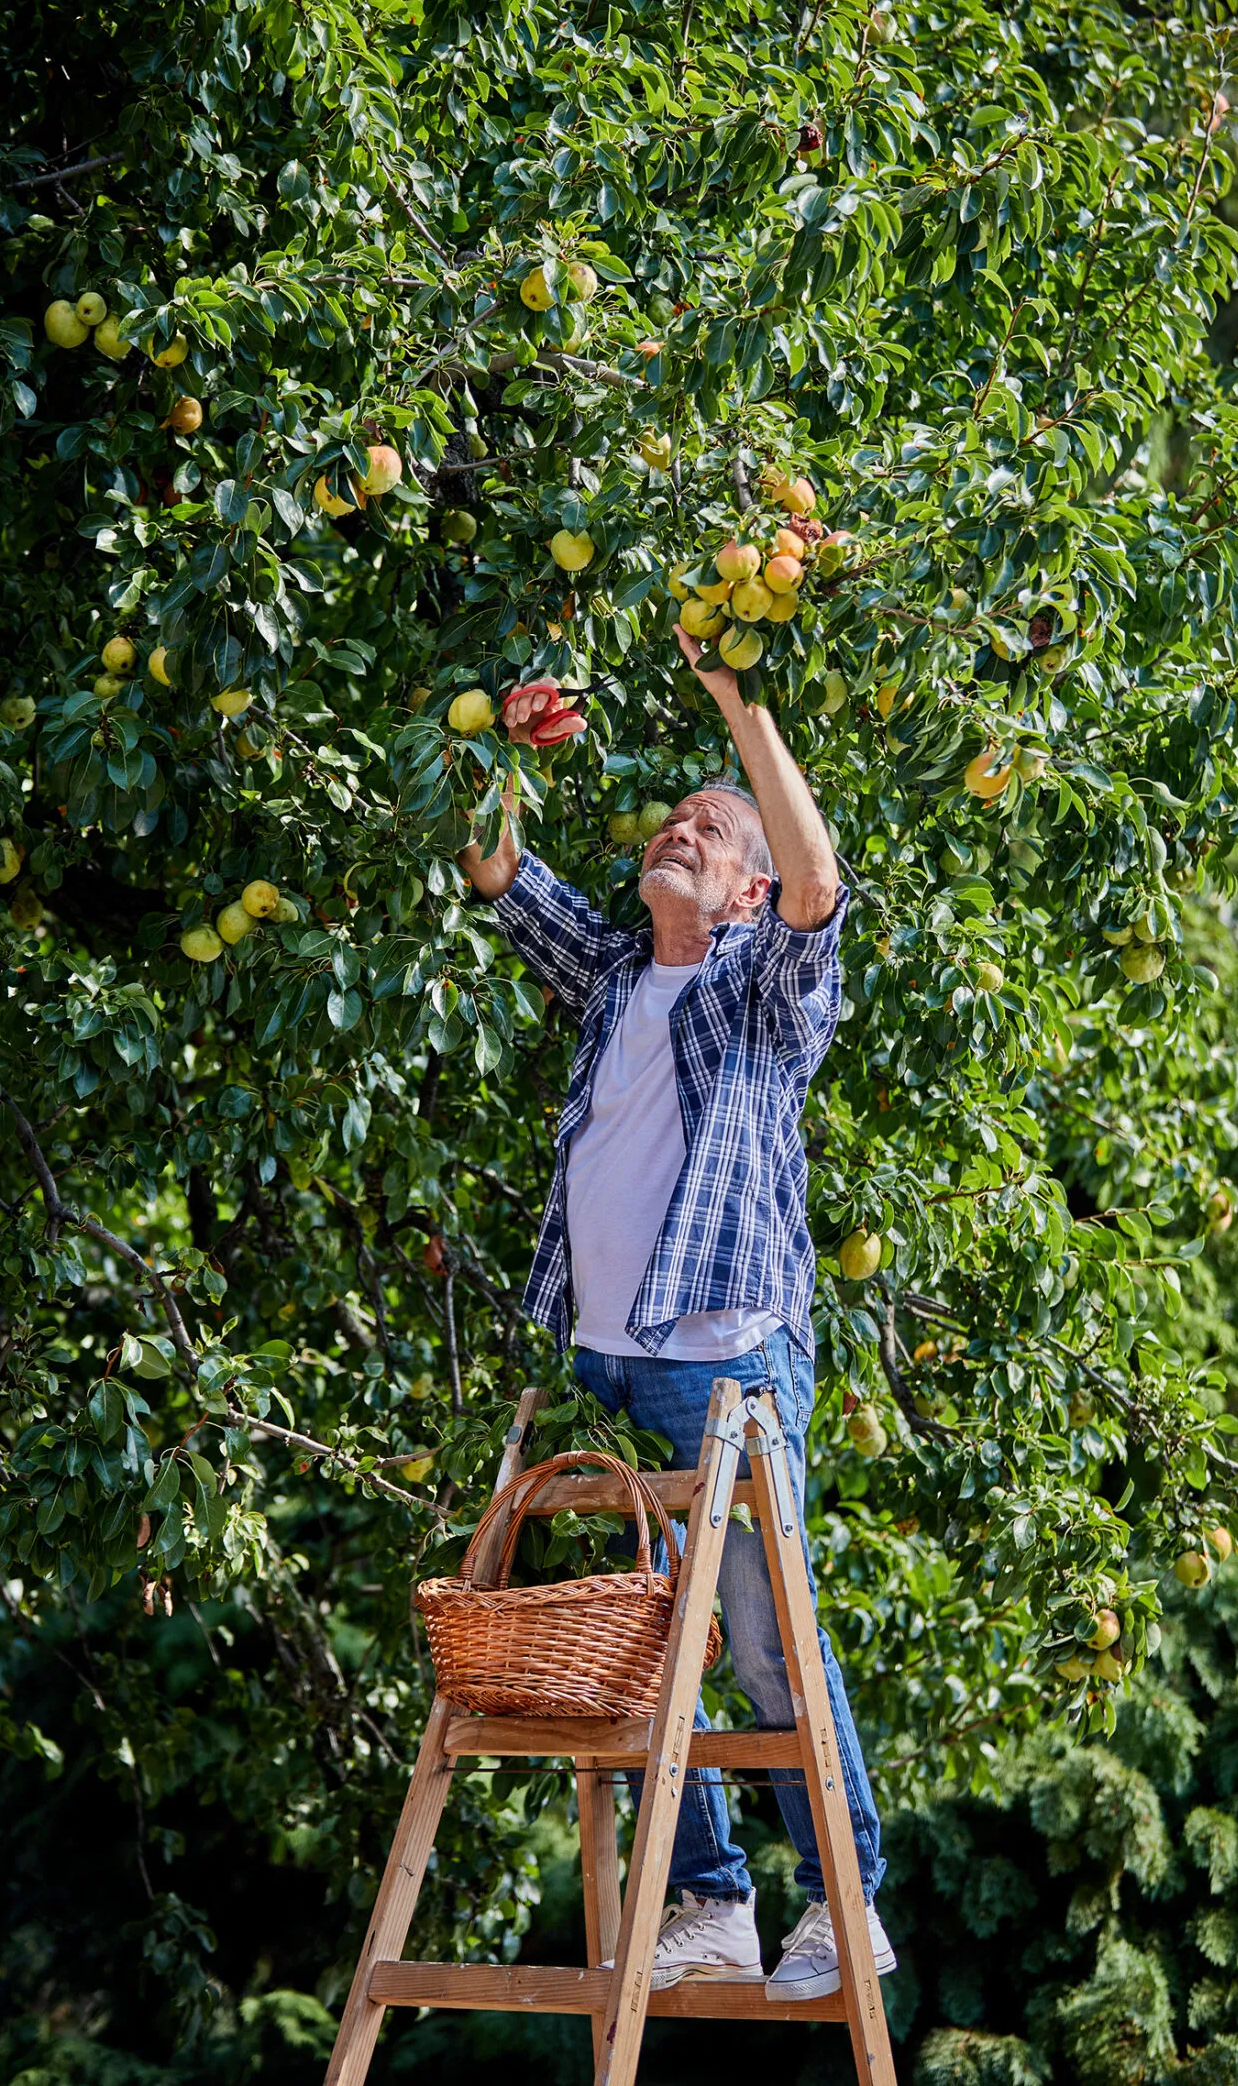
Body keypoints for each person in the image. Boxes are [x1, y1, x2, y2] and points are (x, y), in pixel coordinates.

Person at [458, 626, 893, 2002]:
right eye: (669, 822)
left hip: (729, 1360)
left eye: (708, 829)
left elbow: (819, 882)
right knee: (642, 1644)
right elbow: (491, 865)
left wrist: (738, 699)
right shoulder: (610, 978)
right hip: (609, 1358)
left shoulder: (759, 989)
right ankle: (706, 1897)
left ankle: (842, 1905)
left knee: (764, 1635)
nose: (678, 832)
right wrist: (499, 742)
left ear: (748, 884)